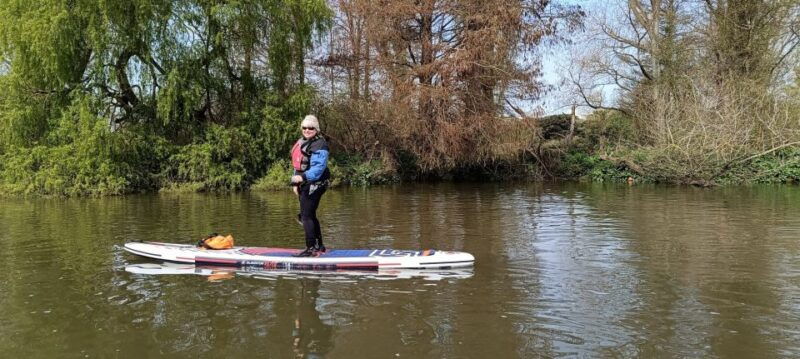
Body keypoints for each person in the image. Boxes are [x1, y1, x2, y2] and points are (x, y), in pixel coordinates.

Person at [290, 115, 331, 257]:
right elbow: (298, 164)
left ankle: (311, 248)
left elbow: (318, 169)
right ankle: (319, 246)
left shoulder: (320, 145)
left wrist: (302, 177)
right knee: (310, 215)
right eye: (304, 128)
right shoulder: (302, 142)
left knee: (306, 216)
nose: (307, 130)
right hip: (306, 183)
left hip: (316, 183)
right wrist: (296, 183)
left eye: (311, 128)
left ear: (316, 129)